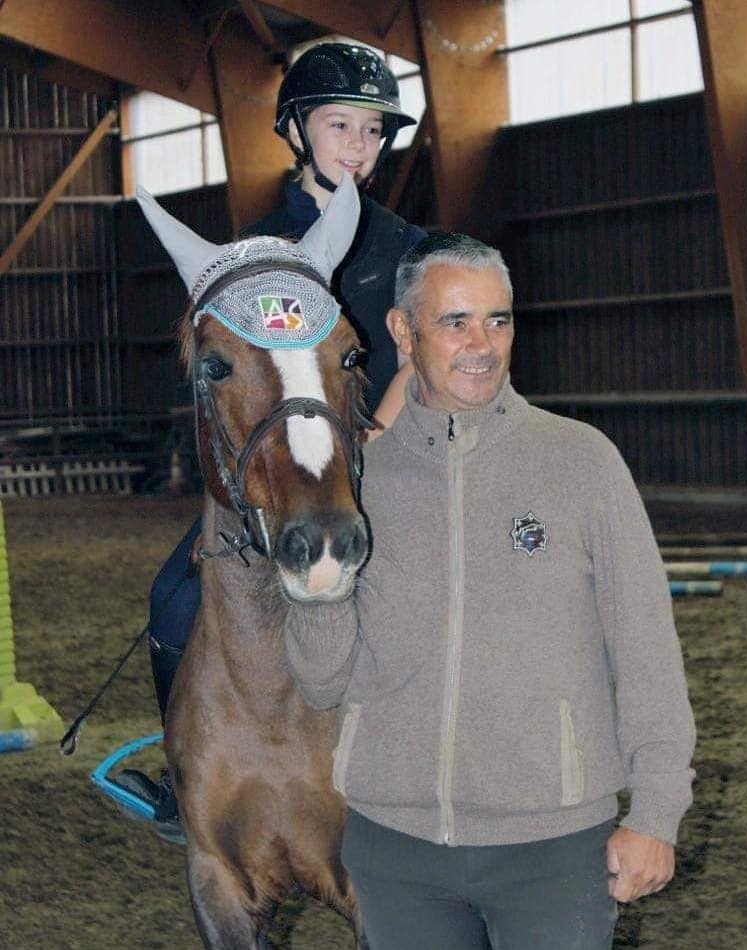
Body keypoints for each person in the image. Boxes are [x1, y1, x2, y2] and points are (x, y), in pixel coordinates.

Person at [283, 233, 697, 949]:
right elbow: (321, 685)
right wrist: (314, 596)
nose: (482, 344)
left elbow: (645, 650)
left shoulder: (581, 462)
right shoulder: (356, 482)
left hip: (554, 846)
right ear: (402, 332)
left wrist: (655, 814)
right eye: (455, 322)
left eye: (497, 320)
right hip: (394, 846)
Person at [117, 42, 425, 833]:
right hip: (276, 470)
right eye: (340, 125)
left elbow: (422, 356)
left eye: (371, 131)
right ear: (295, 130)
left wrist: (380, 437)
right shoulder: (250, 251)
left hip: (386, 451)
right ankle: (189, 776)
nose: (358, 146)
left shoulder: (410, 249)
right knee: (172, 594)